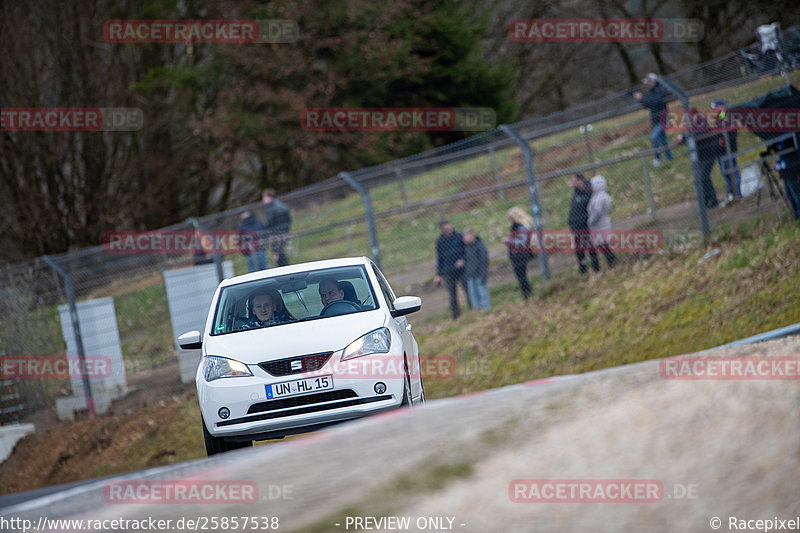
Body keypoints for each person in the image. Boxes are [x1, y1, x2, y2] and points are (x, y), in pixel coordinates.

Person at [675, 109, 724, 209]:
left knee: (704, 177)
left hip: (708, 154)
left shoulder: (702, 122)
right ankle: (706, 201)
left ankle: (713, 200)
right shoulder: (691, 125)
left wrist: (684, 138)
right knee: (701, 178)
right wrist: (681, 139)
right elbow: (690, 135)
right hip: (699, 156)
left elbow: (699, 134)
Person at [634, 73, 673, 167]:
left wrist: (641, 99)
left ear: (654, 82)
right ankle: (669, 158)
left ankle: (657, 159)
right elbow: (648, 104)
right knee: (663, 140)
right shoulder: (651, 92)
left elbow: (653, 103)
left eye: (649, 82)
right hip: (656, 120)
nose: (647, 84)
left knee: (654, 137)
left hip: (662, 120)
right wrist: (640, 100)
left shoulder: (659, 91)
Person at [434, 220, 470, 319]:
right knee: (452, 295)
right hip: (449, 271)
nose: (448, 231)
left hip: (462, 270)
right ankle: (456, 315)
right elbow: (439, 258)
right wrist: (438, 274)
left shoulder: (459, 236)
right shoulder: (440, 242)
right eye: (445, 230)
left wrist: (463, 260)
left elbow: (467, 251)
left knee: (468, 290)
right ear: (442, 230)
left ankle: (473, 310)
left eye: (449, 228)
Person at [711, 99, 742, 203]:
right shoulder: (720, 117)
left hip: (728, 150)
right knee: (727, 174)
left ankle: (737, 194)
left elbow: (730, 131)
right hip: (721, 151)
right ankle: (731, 194)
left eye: (716, 107)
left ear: (721, 106)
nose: (714, 110)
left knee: (732, 172)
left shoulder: (726, 115)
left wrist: (723, 140)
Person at [568, 173, 599, 274]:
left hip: (586, 226)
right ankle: (583, 270)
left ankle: (596, 268)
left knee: (591, 248)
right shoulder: (576, 194)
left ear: (580, 180)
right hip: (576, 227)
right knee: (579, 251)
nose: (572, 183)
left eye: (574, 180)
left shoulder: (589, 192)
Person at [501, 207, 534, 299]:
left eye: (510, 218)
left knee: (522, 277)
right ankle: (526, 294)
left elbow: (521, 242)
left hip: (520, 255)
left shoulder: (521, 227)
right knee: (521, 276)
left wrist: (508, 241)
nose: (509, 220)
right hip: (517, 255)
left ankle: (527, 294)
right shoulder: (517, 227)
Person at [587, 175, 616, 270]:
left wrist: (591, 221)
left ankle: (612, 262)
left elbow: (597, 211)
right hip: (601, 224)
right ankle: (612, 263)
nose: (591, 187)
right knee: (603, 246)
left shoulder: (600, 197)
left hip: (599, 225)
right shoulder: (600, 196)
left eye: (592, 185)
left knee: (604, 246)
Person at [262, 188, 292, 267]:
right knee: (281, 252)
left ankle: (284, 270)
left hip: (276, 233)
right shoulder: (281, 205)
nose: (263, 200)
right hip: (285, 231)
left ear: (268, 197)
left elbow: (270, 223)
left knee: (278, 254)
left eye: (264, 198)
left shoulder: (271, 208)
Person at [462, 228, 490, 311]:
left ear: (471, 236)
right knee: (473, 294)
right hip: (470, 274)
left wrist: (483, 273)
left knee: (483, 293)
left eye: (466, 236)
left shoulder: (480, 245)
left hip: (479, 274)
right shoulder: (466, 247)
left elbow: (484, 260)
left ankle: (486, 309)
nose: (464, 239)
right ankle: (476, 309)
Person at [774, 139, 800, 220]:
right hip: (785, 170)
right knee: (789, 194)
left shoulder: (790, 136)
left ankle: (798, 215)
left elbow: (790, 149)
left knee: (795, 193)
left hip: (792, 168)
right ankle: (796, 215)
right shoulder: (778, 138)